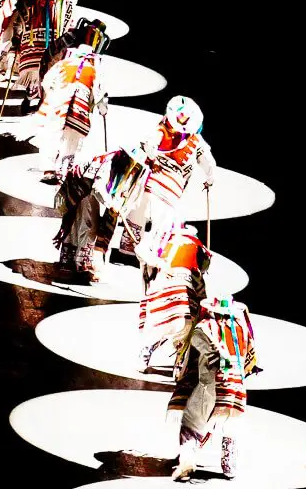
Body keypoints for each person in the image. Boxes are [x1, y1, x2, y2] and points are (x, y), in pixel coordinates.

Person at [168, 295, 262, 481]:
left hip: (210, 386)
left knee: (190, 425)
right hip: (236, 389)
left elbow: (193, 349)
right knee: (231, 427)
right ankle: (229, 467)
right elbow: (251, 359)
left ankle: (187, 462)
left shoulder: (204, 328)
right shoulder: (242, 329)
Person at [119, 95, 216, 267]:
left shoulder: (188, 138)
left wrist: (210, 175)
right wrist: (210, 176)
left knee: (148, 215)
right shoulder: (165, 131)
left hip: (162, 185)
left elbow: (149, 145)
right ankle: (141, 248)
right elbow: (208, 162)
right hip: (160, 184)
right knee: (153, 216)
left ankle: (135, 247)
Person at [137, 224, 211, 373]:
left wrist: (157, 263)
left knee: (164, 322)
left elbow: (140, 250)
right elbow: (204, 268)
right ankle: (178, 356)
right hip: (180, 286)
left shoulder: (166, 239)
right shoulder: (194, 244)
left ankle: (154, 353)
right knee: (186, 323)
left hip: (169, 286)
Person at [35, 44, 108, 183]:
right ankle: (64, 169)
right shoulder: (93, 70)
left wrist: (52, 93)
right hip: (77, 108)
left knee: (51, 135)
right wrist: (103, 109)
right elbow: (100, 94)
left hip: (56, 104)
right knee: (71, 139)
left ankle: (49, 170)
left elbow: (46, 82)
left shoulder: (62, 64)